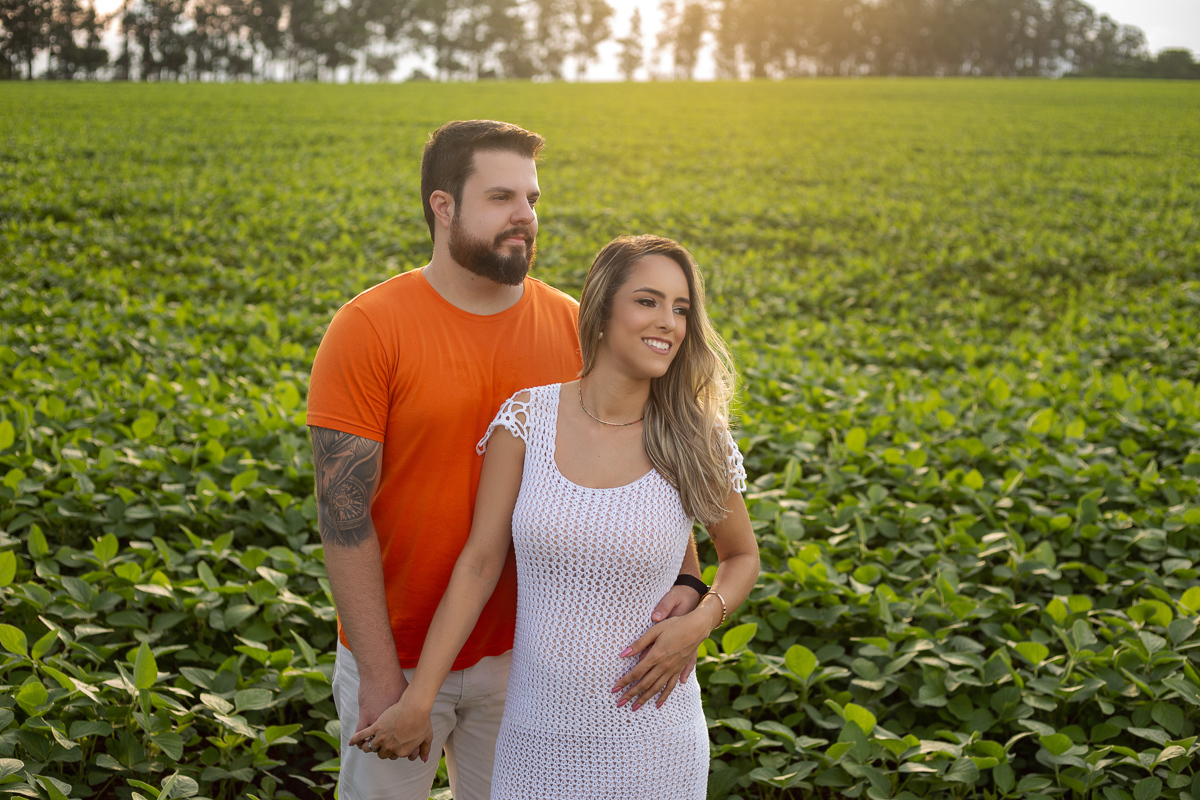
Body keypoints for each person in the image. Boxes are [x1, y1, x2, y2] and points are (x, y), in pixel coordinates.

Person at [306, 123, 706, 800]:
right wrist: (379, 675)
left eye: (532, 197)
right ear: (444, 206)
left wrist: (692, 590)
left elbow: (649, 471)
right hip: (396, 655)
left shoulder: (576, 328)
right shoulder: (369, 328)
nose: (525, 216)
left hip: (529, 665)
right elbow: (343, 520)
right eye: (500, 197)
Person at [349, 235, 761, 799]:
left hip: (654, 733)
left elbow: (740, 556)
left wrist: (700, 618)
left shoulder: (695, 438)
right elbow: (479, 563)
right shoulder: (526, 419)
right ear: (600, 307)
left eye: (681, 308)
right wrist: (420, 696)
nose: (668, 321)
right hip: (535, 734)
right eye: (648, 301)